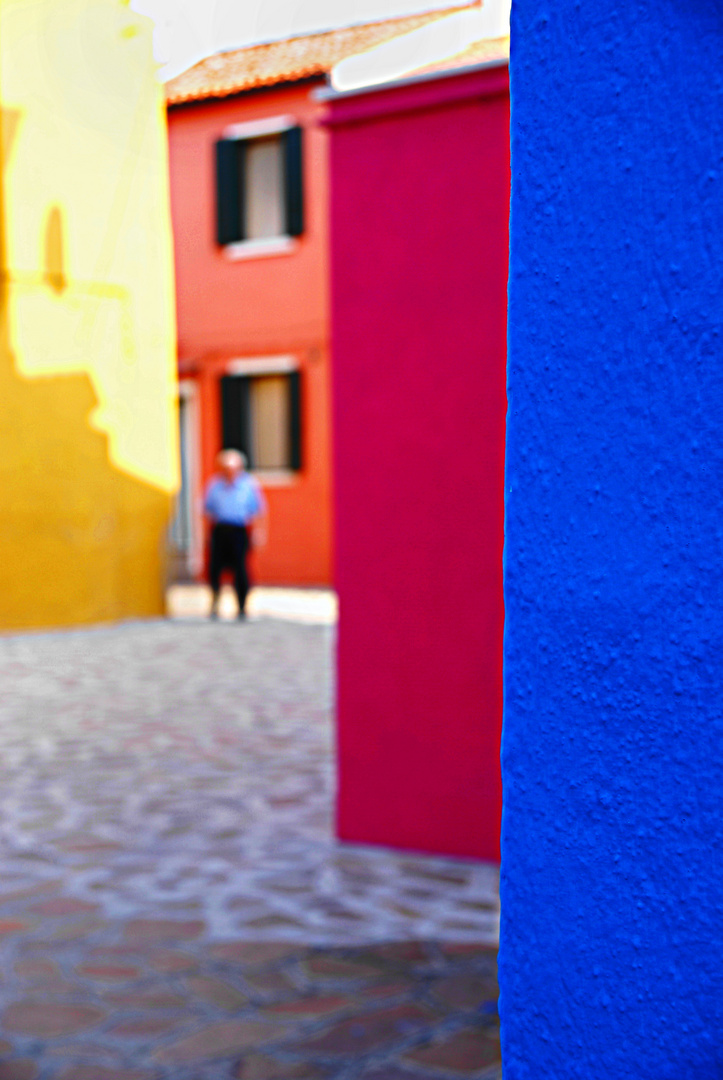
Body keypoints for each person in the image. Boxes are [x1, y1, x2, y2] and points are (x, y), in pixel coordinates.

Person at [203, 449, 267, 620]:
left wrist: (259, 532)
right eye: (225, 468)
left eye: (232, 468)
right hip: (220, 530)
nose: (228, 471)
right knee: (215, 569)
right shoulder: (214, 485)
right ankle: (215, 603)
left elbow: (258, 511)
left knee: (240, 569)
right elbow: (208, 511)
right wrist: (207, 535)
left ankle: (241, 606)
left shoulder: (248, 485)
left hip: (239, 531)